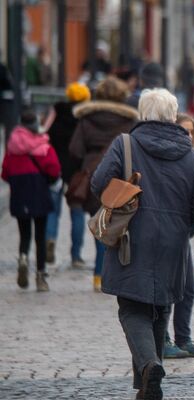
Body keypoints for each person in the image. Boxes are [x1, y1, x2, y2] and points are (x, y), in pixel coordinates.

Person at [91, 88, 194, 400]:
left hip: (132, 235)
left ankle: (150, 364)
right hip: (174, 239)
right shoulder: (189, 152)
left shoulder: (125, 144)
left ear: (143, 112)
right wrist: (187, 229)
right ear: (172, 114)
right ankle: (147, 385)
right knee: (159, 306)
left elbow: (99, 183)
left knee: (131, 308)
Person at [70, 76, 138, 291]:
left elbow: (75, 149)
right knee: (116, 223)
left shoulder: (87, 119)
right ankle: (111, 273)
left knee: (98, 221)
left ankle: (99, 274)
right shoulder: (129, 121)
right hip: (119, 175)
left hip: (92, 173)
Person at [161, 113, 194, 360]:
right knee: (169, 287)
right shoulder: (169, 157)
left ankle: (183, 337)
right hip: (167, 229)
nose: (187, 136)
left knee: (187, 289)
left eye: (191, 132)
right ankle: (163, 338)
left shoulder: (193, 157)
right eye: (183, 131)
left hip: (183, 229)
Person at [2, 108, 61, 292]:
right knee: (40, 236)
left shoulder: (12, 146)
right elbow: (53, 169)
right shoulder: (42, 144)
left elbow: (5, 173)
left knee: (24, 234)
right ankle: (41, 277)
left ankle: (23, 258)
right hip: (39, 193)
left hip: (20, 195)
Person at [44, 83, 91, 268]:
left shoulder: (56, 114)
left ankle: (50, 238)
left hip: (55, 169)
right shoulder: (84, 119)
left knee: (53, 210)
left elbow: (46, 136)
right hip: (76, 171)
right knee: (77, 212)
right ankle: (76, 255)